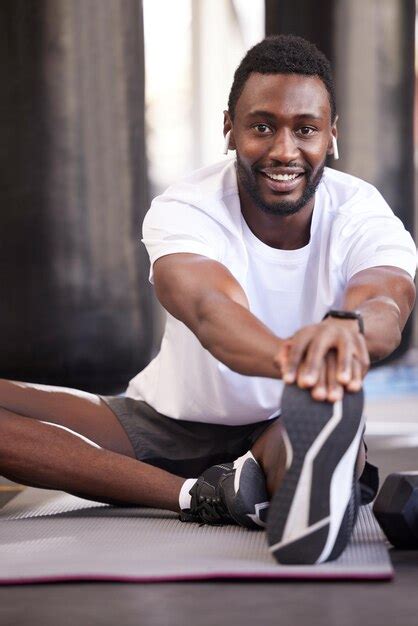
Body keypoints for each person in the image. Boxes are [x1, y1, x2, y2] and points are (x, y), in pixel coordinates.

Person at [0, 35, 415, 565]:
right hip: (164, 419)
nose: (284, 151)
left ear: (331, 135)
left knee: (301, 436)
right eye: (262, 126)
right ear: (229, 128)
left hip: (285, 417)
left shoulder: (361, 210)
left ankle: (301, 478)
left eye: (305, 129)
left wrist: (347, 331)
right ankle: (206, 494)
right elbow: (212, 311)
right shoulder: (185, 208)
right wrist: (301, 358)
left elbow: (386, 300)